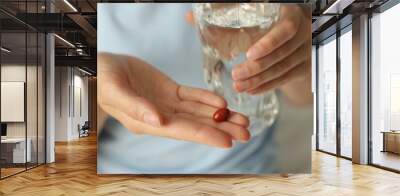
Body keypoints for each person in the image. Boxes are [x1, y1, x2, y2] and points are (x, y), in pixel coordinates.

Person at [97, 3, 313, 174]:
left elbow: (306, 98)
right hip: (125, 182)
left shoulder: (264, 10)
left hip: (244, 173)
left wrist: (299, 54)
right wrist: (97, 89)